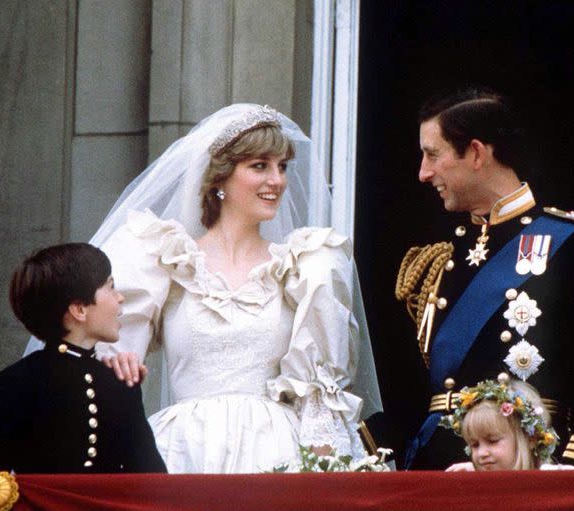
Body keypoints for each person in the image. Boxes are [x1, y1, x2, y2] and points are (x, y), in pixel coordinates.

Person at [26, 103, 383, 474]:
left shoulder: (304, 266)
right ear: (220, 179)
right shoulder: (164, 259)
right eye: (259, 166)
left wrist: (323, 476)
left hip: (278, 454)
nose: (276, 180)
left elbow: (317, 397)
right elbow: (105, 365)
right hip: (183, 453)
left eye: (282, 166)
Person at [396, 88, 574, 469]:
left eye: (433, 155)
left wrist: (570, 462)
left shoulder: (571, 244)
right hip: (443, 467)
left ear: (477, 153)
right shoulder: (439, 257)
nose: (423, 172)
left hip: (531, 462)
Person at [0, 243, 166, 473]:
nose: (120, 298)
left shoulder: (119, 383)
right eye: (111, 287)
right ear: (79, 310)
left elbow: (151, 480)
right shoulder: (19, 382)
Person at [443, 375, 556, 471]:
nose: (482, 453)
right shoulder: (470, 486)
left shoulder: (554, 483)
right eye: (475, 445)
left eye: (493, 441)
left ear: (531, 438)